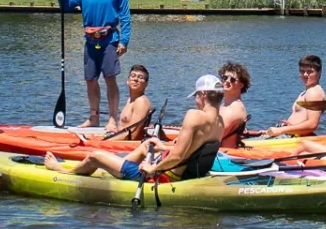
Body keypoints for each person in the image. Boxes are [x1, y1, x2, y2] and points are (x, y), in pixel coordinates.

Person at [56, 74, 224, 183]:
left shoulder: (194, 115)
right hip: (180, 172)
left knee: (94, 156)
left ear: (202, 95)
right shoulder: (220, 122)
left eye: (196, 95)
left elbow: (178, 156)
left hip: (163, 176)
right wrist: (164, 147)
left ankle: (63, 171)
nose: (195, 100)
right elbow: (192, 150)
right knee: (147, 144)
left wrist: (152, 168)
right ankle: (119, 170)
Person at [62, 0, 132, 128]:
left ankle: (112, 119)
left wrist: (124, 40)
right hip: (91, 42)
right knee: (90, 80)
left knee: (110, 78)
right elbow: (65, 5)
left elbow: (125, 17)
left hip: (110, 40)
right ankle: (94, 118)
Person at [261, 55, 326, 139]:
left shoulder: (314, 92)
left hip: (293, 137)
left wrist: (281, 130)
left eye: (310, 71)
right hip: (288, 134)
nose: (305, 75)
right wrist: (270, 131)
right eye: (302, 71)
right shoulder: (305, 92)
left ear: (319, 72)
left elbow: (312, 124)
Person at [217, 61, 252, 148]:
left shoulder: (234, 109)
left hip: (225, 155)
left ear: (241, 85)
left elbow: (215, 136)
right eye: (225, 78)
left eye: (232, 80)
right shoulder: (224, 106)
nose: (227, 81)